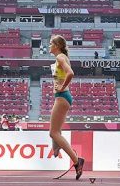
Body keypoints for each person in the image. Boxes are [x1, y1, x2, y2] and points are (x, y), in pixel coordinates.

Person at [48, 34, 84, 179]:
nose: (49, 45)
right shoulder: (61, 57)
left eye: (51, 43)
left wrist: (62, 87)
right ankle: (56, 148)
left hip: (62, 96)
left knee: (54, 132)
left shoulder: (60, 57)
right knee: (55, 131)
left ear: (57, 46)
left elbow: (70, 73)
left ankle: (77, 161)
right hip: (62, 97)